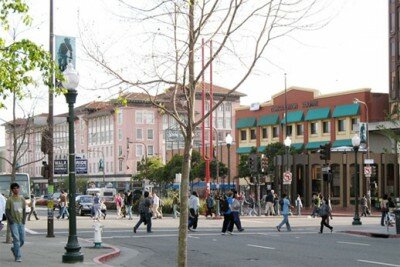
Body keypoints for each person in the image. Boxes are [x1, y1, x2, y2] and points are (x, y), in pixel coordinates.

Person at [6, 183, 26, 262]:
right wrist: (11, 221)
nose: (16, 189)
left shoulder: (22, 199)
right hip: (13, 223)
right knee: (16, 239)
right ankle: (18, 256)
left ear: (19, 189)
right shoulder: (9, 199)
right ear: (12, 190)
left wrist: (24, 220)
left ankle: (14, 248)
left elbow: (24, 209)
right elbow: (7, 211)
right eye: (14, 188)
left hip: (21, 222)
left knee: (22, 240)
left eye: (17, 188)